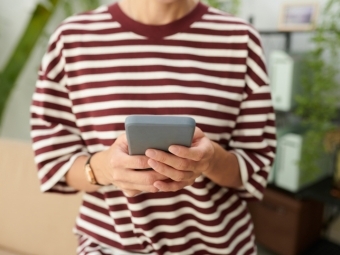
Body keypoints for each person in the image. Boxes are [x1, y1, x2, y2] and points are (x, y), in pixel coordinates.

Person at [30, 0, 276, 254]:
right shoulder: (71, 39)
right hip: (109, 246)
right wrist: (104, 169)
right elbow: (55, 163)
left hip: (218, 246)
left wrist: (210, 161)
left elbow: (255, 166)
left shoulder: (239, 39)